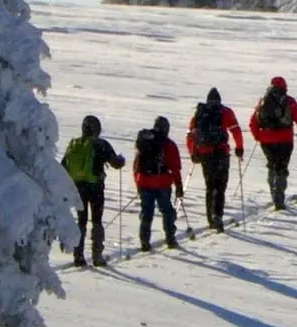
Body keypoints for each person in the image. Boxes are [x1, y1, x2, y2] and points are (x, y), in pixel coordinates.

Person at [60, 115, 125, 267]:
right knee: (96, 221)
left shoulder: (74, 144)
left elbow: (64, 166)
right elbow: (115, 163)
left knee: (81, 221)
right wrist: (121, 160)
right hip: (95, 188)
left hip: (78, 188)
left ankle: (78, 256)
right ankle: (97, 256)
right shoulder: (100, 144)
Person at [248, 77, 297, 210]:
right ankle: (279, 197)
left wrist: (258, 136)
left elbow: (253, 122)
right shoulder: (289, 101)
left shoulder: (263, 101)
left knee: (272, 165)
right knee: (282, 168)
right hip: (285, 139)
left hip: (266, 140)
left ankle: (274, 193)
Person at [186, 88, 244, 232]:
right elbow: (236, 130)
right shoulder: (225, 112)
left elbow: (191, 136)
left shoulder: (200, 113)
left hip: (205, 154)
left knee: (210, 186)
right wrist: (239, 148)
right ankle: (217, 215)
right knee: (220, 187)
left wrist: (193, 152)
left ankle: (210, 219)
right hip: (221, 153)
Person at [133, 116, 184, 251]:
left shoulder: (144, 141)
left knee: (146, 212)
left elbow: (137, 165)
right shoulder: (169, 144)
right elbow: (175, 168)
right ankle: (170, 239)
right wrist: (179, 185)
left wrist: (138, 183)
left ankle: (144, 242)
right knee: (167, 211)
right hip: (162, 183)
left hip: (144, 182)